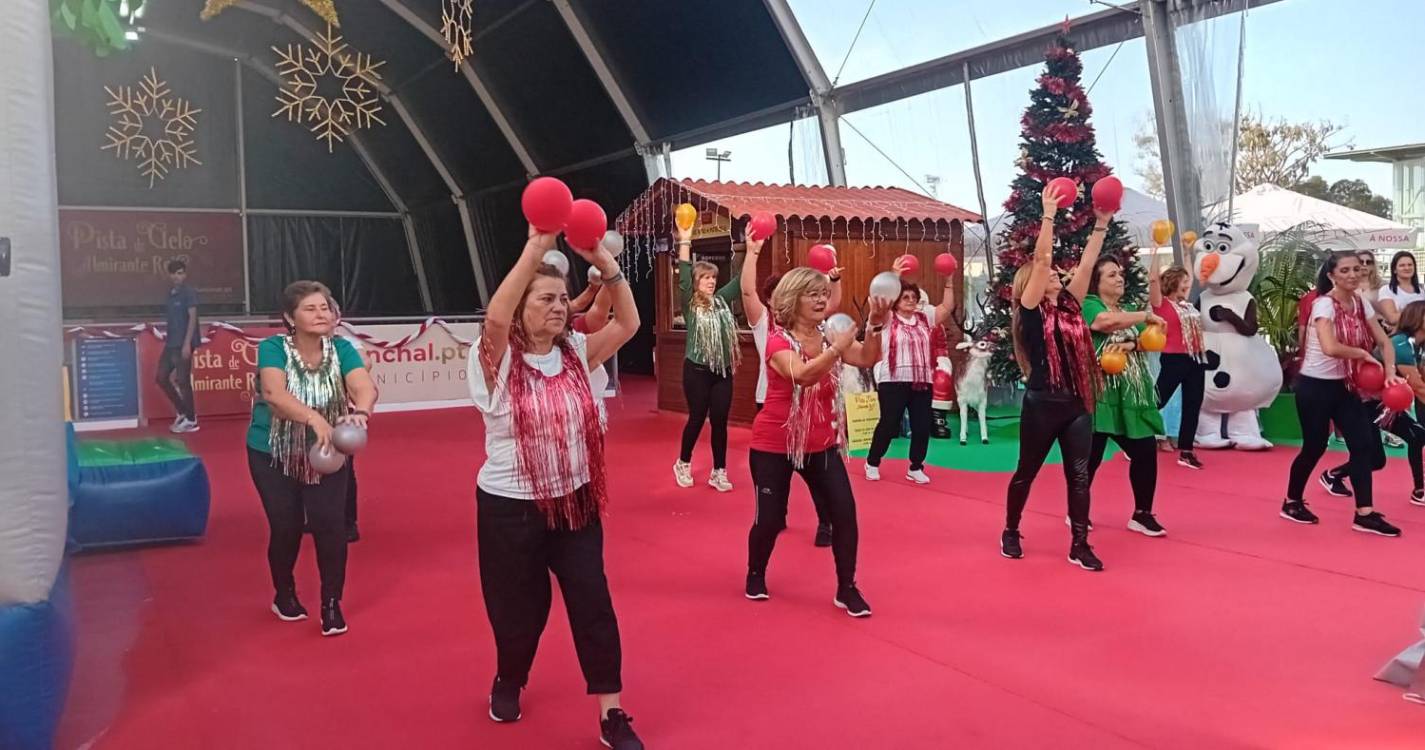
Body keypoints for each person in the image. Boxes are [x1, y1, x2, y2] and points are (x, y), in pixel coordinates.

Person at [469, 225, 644, 749]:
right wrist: (536, 247)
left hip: (576, 501)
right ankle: (510, 677)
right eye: (545, 299)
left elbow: (629, 322)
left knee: (593, 601)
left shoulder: (577, 352)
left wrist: (604, 263)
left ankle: (611, 713)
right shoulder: (495, 358)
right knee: (521, 611)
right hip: (509, 508)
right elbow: (495, 317)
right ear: (520, 308)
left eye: (562, 299)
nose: (558, 306)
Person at [745, 268, 890, 617]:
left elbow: (867, 358)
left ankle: (847, 587)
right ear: (792, 299)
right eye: (813, 294)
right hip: (774, 443)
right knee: (770, 520)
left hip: (821, 442)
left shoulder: (828, 336)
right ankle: (755, 572)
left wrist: (874, 325)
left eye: (824, 293)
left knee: (844, 514)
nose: (822, 299)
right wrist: (836, 348)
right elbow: (803, 375)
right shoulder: (778, 340)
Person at [248, 281, 377, 636]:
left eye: (325, 308)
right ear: (290, 318)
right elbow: (274, 393)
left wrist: (361, 411)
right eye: (310, 309)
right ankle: (284, 592)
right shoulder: (273, 348)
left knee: (330, 525)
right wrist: (314, 418)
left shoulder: (342, 349)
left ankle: (331, 603)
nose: (321, 314)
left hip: (326, 452)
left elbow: (363, 385)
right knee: (286, 526)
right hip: (272, 451)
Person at [1000, 184, 1107, 571]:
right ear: (1032, 282)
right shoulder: (1030, 310)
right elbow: (1043, 260)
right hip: (1042, 404)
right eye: (1048, 275)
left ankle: (1079, 544)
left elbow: (1088, 264)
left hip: (1077, 403)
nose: (1057, 274)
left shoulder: (1070, 306)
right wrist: (1048, 214)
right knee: (1026, 472)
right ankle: (1011, 530)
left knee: (1079, 476)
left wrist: (1101, 224)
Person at [1282, 252, 1402, 536]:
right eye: (1345, 270)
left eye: (1357, 269)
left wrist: (1389, 372)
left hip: (1344, 386)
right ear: (1331, 275)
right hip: (1314, 387)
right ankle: (1292, 501)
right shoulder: (1324, 305)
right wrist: (1361, 353)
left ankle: (1364, 514)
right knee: (1314, 447)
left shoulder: (1361, 303)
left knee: (1362, 446)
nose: (1352, 274)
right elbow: (1330, 347)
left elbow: (1385, 341)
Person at [739, 229, 841, 547]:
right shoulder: (764, 323)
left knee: (818, 475)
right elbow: (747, 291)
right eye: (775, 294)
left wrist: (833, 278)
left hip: (815, 410)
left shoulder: (813, 325)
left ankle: (825, 522)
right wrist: (752, 252)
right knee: (776, 475)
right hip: (773, 404)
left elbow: (832, 306)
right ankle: (775, 515)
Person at [1083, 252, 1170, 537]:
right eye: (1111, 274)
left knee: (1145, 451)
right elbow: (1104, 323)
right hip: (1101, 393)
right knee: (1090, 458)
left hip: (1133, 394)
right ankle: (1078, 511)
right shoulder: (1089, 304)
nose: (1119, 278)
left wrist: (1132, 344)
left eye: (1120, 273)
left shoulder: (1127, 308)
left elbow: (1152, 340)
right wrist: (1145, 316)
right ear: (1096, 282)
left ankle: (1142, 514)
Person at [1320, 300, 1425, 507]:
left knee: (1416, 436)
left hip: (1382, 402)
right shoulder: (1401, 344)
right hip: (1362, 403)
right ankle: (1334, 475)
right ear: (1418, 319)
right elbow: (1418, 387)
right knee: (1377, 459)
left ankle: (1419, 490)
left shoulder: (1418, 345)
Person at [864, 257, 957, 485]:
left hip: (922, 382)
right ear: (896, 301)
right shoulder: (887, 317)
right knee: (889, 424)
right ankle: (872, 462)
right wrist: (895, 276)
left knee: (922, 426)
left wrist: (948, 280)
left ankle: (916, 467)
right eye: (905, 297)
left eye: (914, 298)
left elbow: (947, 307)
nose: (911, 300)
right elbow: (881, 297)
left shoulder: (925, 317)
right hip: (892, 381)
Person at [672, 218, 742, 492]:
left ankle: (719, 471)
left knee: (720, 422)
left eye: (713, 277)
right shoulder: (690, 305)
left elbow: (741, 281)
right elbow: (684, 275)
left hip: (723, 372)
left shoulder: (722, 300)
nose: (711, 281)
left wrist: (753, 250)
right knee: (697, 417)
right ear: (697, 282)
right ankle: (683, 462)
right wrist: (685, 239)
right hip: (697, 372)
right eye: (705, 278)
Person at [1149, 250, 1208, 469]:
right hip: (1173, 359)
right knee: (1158, 400)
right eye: (1183, 281)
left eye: (1186, 281)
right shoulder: (1161, 304)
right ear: (1174, 282)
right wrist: (1156, 248)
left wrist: (1186, 251)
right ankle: (1134, 439)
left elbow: (1190, 276)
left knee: (1193, 404)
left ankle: (1186, 451)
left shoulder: (1186, 305)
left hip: (1195, 358)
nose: (1187, 284)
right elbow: (1153, 279)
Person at [331, 299, 373, 543]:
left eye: (328, 311)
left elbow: (365, 362)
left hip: (341, 414)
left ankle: (348, 522)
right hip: (305, 416)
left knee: (344, 469)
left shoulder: (348, 344)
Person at [158, 259, 201, 433]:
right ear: (170, 275)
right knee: (161, 377)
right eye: (174, 273)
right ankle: (183, 411)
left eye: (180, 273)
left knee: (183, 381)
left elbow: (192, 318)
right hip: (171, 343)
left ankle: (191, 420)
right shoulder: (170, 294)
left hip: (183, 343)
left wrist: (187, 344)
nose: (177, 276)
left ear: (185, 274)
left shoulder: (188, 293)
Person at [1373, 251, 1424, 330]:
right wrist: (1419, 312)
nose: (1407, 268)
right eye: (1402, 265)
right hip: (1401, 334)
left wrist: (1403, 313)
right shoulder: (1386, 290)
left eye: (1410, 265)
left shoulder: (1421, 291)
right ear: (1394, 270)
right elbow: (1392, 318)